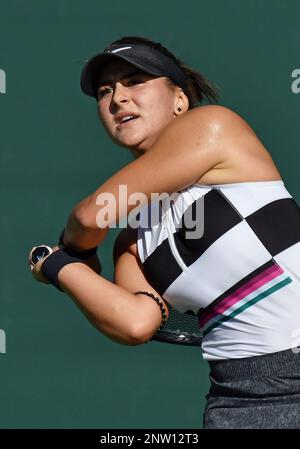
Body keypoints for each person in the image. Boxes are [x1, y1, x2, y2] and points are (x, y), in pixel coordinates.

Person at [28, 36, 300, 429]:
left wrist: (75, 249)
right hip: (235, 400)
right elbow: (136, 322)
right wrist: (58, 266)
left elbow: (89, 218)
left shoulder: (214, 127)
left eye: (135, 81)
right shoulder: (133, 239)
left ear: (180, 100)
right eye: (106, 92)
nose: (118, 98)